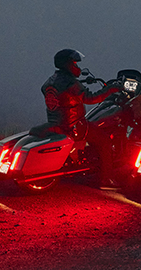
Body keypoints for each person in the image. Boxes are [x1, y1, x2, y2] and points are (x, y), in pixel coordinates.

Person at [32, 49, 122, 184]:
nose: (77, 67)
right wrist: (110, 89)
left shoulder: (49, 82)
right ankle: (107, 179)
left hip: (56, 122)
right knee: (105, 141)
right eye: (74, 64)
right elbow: (90, 98)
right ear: (67, 64)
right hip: (74, 125)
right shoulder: (71, 83)